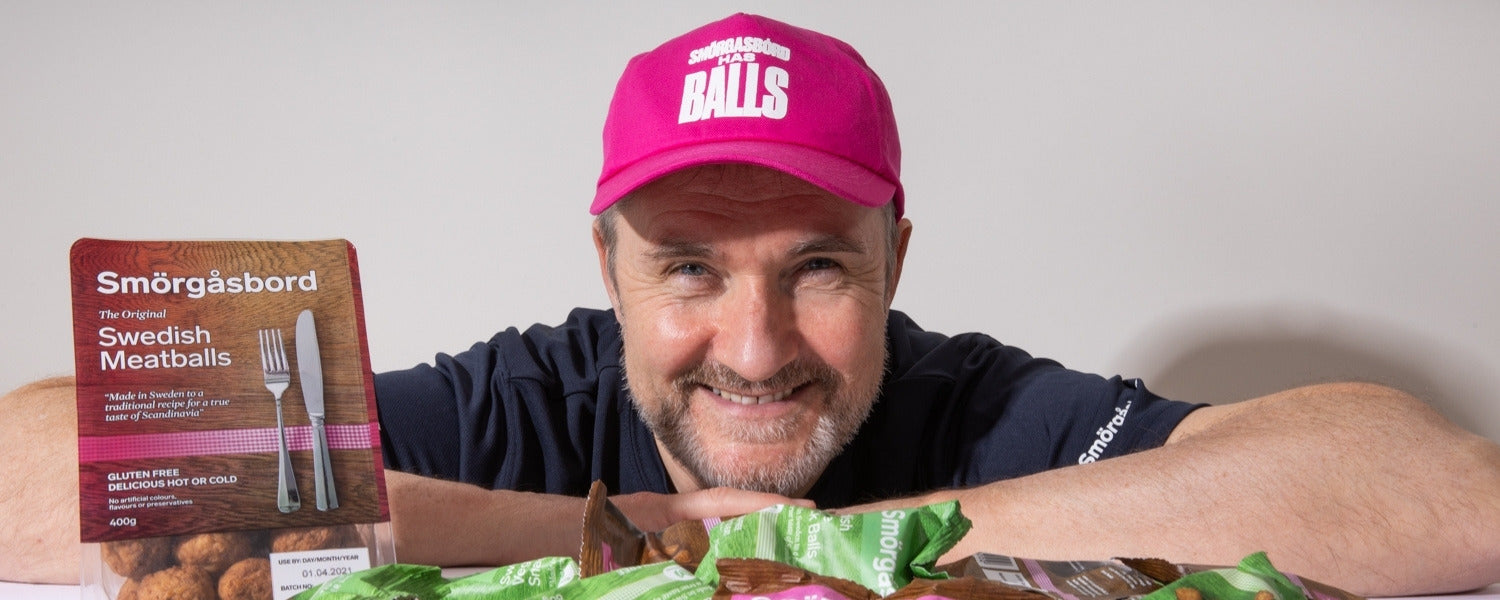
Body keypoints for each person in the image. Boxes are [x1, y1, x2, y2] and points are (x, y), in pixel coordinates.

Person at [3, 13, 1498, 595]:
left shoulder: (969, 407)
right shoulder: (527, 397)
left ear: (896, 262)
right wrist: (636, 535)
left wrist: (796, 544)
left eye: (819, 268)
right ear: (610, 274)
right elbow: (37, 464)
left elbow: (1438, 495)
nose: (757, 348)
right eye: (693, 270)